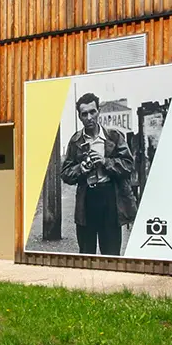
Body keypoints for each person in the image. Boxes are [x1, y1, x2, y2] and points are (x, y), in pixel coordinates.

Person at [59, 92, 136, 255]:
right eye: (84, 114)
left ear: (98, 111)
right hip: (87, 199)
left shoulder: (113, 136)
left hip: (110, 198)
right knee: (87, 252)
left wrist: (105, 162)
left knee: (111, 252)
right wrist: (81, 169)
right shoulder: (75, 141)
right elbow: (65, 173)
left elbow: (128, 165)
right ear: (79, 117)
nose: (89, 117)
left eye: (92, 112)